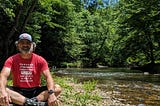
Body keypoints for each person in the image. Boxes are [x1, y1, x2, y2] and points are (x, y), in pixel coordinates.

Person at [0, 33, 61, 106]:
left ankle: (28, 102)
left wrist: (51, 93)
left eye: (28, 43)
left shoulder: (40, 60)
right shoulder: (11, 60)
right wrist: (2, 91)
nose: (25, 45)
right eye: (22, 43)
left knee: (57, 88)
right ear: (18, 45)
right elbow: (3, 75)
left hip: (35, 92)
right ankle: (33, 104)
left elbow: (48, 77)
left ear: (32, 45)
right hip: (18, 91)